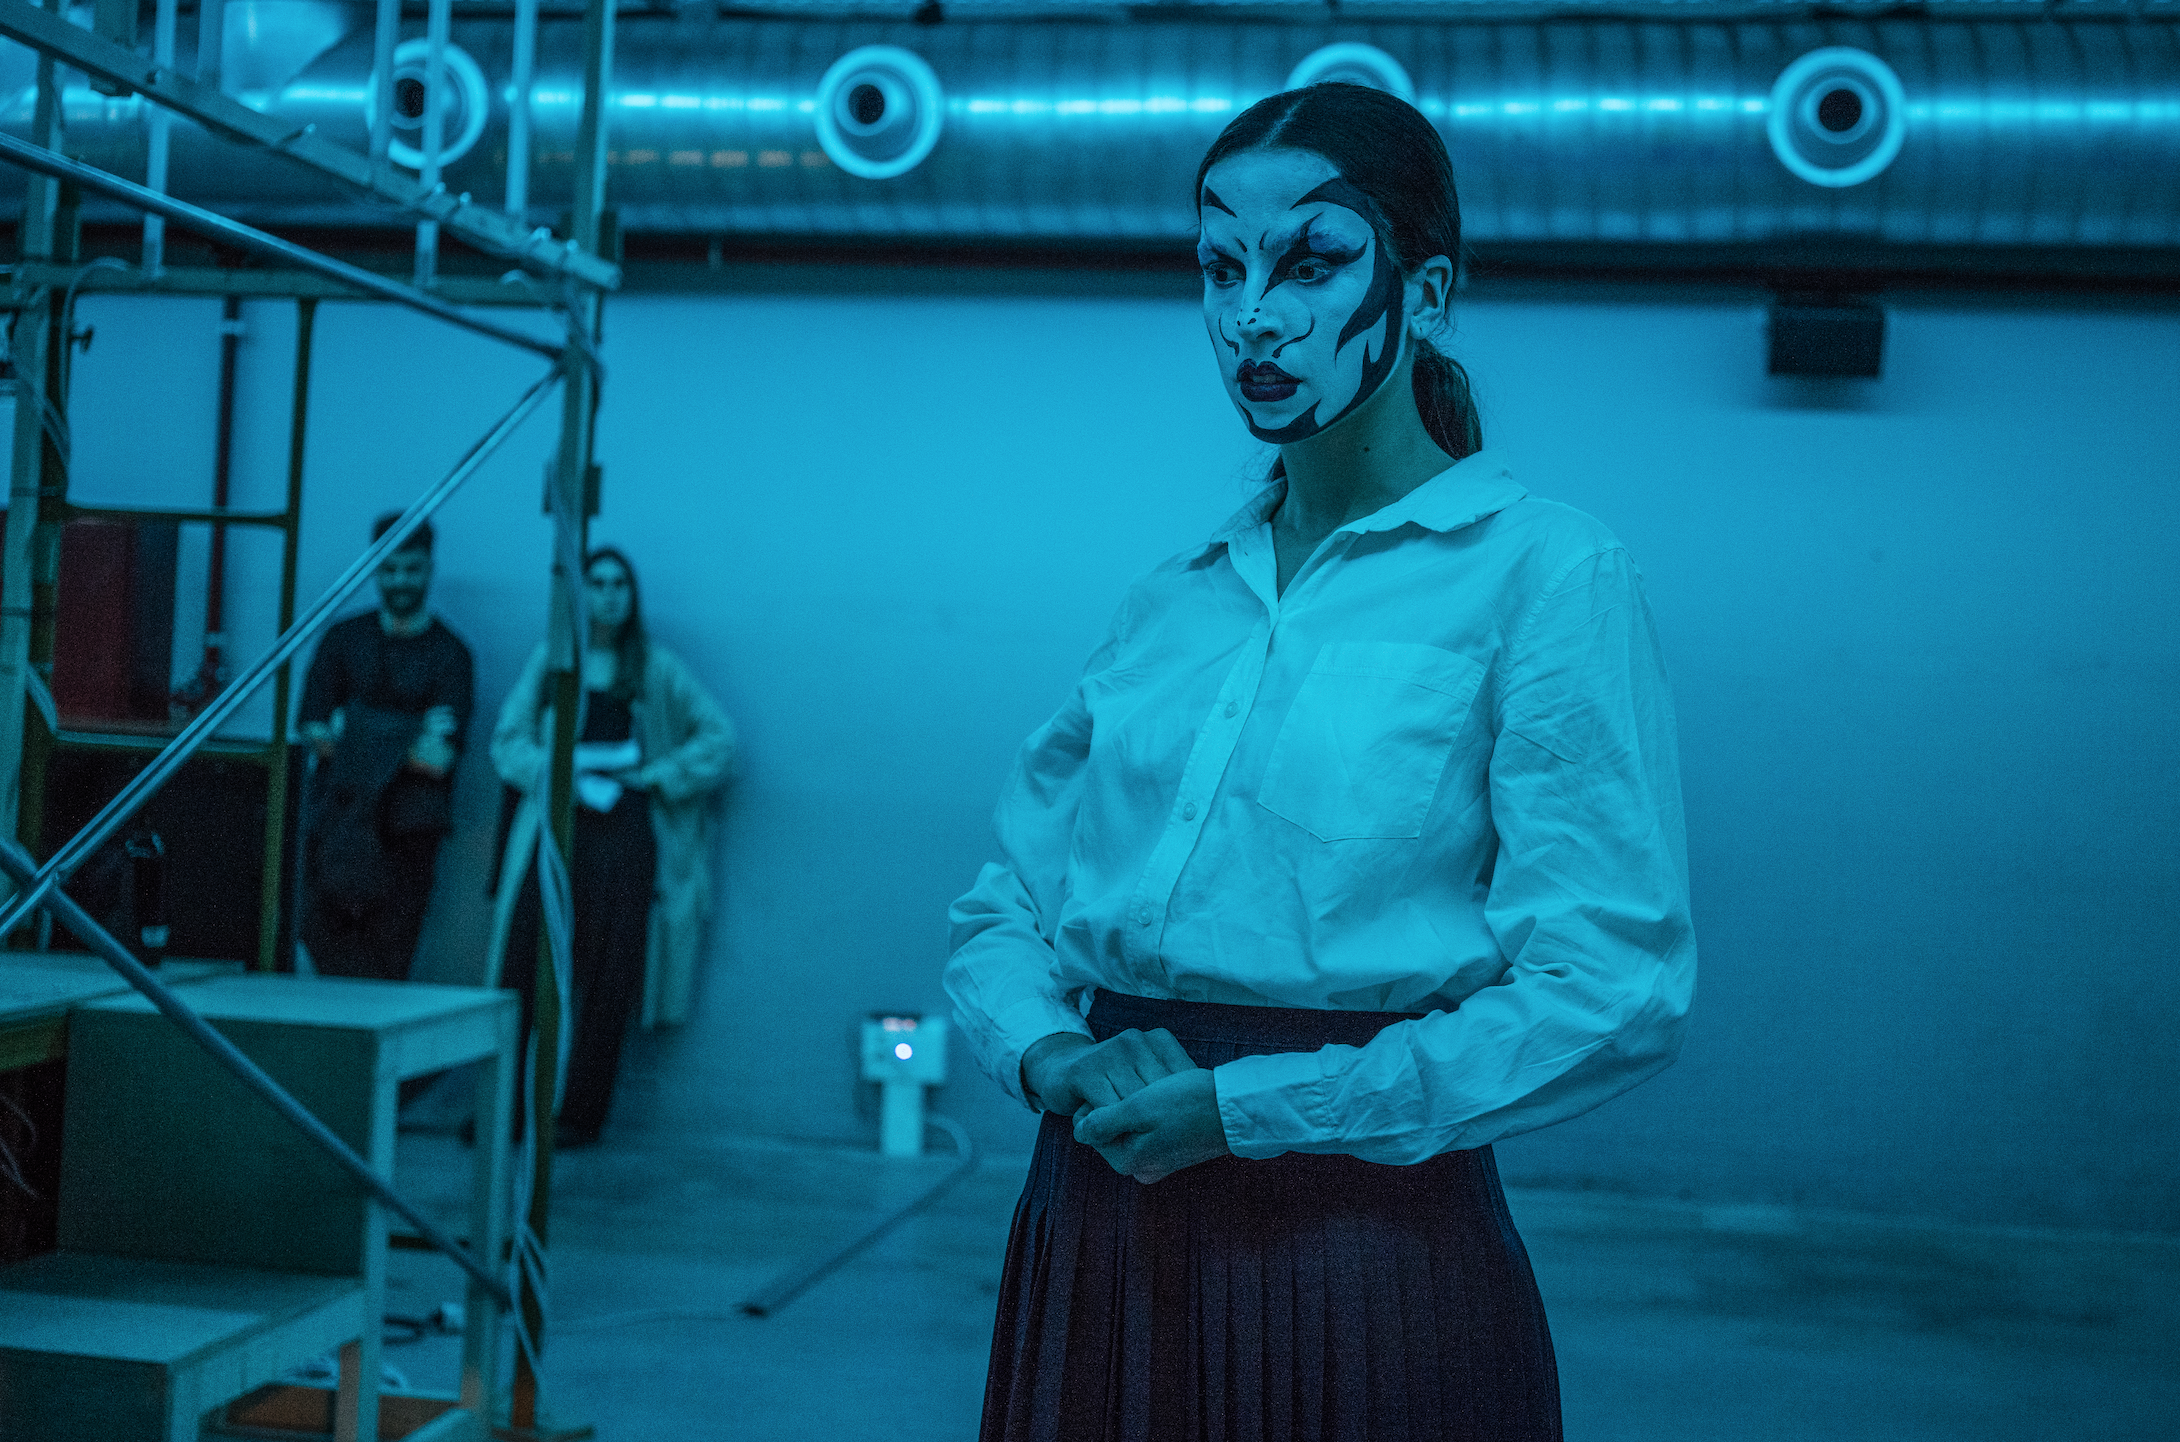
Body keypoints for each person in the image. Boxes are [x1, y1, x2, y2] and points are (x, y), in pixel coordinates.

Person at [945, 83, 1696, 1442]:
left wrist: (1259, 1105)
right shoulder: (1170, 600)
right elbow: (1010, 902)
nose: (1252, 315)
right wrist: (1050, 1048)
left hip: (1357, 1232)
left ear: (1427, 292)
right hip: (1102, 1203)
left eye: (1309, 262)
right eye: (1219, 267)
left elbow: (1613, 988)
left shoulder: (1545, 572)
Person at [486, 547, 736, 1149]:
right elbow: (507, 741)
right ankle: (506, 1110)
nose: (607, 595)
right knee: (524, 967)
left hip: (623, 844)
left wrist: (655, 776)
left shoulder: (654, 666)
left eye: (619, 584)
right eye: (596, 583)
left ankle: (578, 1115)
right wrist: (556, 774)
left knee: (607, 979)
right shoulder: (551, 660)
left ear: (633, 594)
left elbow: (718, 739)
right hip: (554, 833)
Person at [297, 514, 474, 983]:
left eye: (411, 569)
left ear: (429, 568)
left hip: (406, 840)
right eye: (389, 569)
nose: (400, 581)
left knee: (386, 976)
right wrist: (411, 732)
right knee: (325, 960)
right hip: (333, 831)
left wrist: (351, 726)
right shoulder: (343, 640)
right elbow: (313, 733)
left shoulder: (451, 655)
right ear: (375, 568)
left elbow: (439, 761)